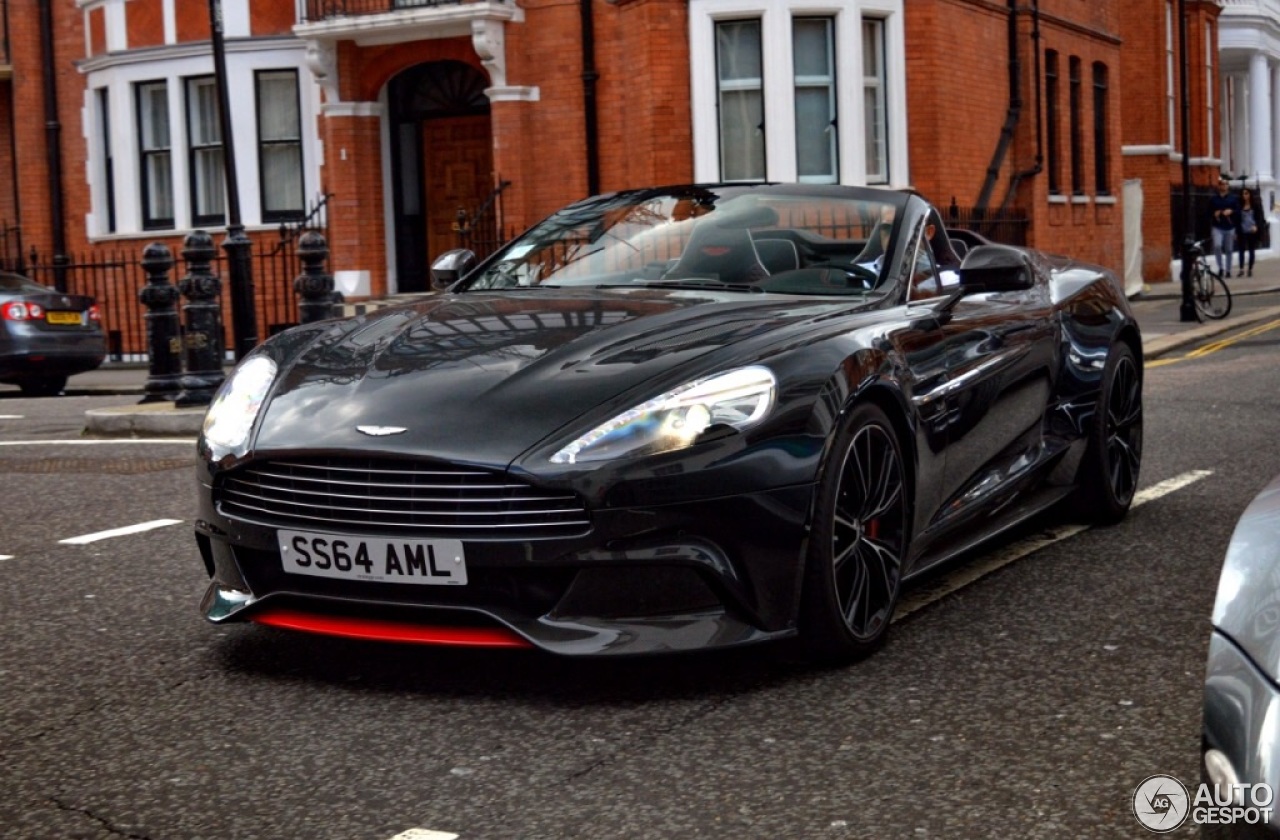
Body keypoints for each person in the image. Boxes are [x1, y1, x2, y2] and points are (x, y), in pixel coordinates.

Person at [1209, 178, 1242, 276]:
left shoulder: (1233, 199)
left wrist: (1231, 211)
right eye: (1222, 184)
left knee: (1229, 249)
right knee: (1217, 246)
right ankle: (1220, 268)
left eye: (1226, 184)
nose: (1224, 186)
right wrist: (1214, 213)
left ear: (1228, 186)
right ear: (1219, 186)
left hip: (1230, 227)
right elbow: (1208, 212)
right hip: (1217, 226)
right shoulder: (1213, 199)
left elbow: (1238, 212)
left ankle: (1228, 270)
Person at [1237, 187, 1261, 278]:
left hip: (1252, 230)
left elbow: (1259, 218)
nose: (1245, 195)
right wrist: (1237, 231)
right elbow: (1237, 219)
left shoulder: (1255, 206)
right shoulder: (1239, 206)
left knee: (1251, 250)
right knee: (1241, 251)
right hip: (1242, 231)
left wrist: (1256, 226)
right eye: (1243, 194)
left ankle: (1250, 269)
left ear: (1250, 195)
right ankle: (1241, 269)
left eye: (1246, 193)